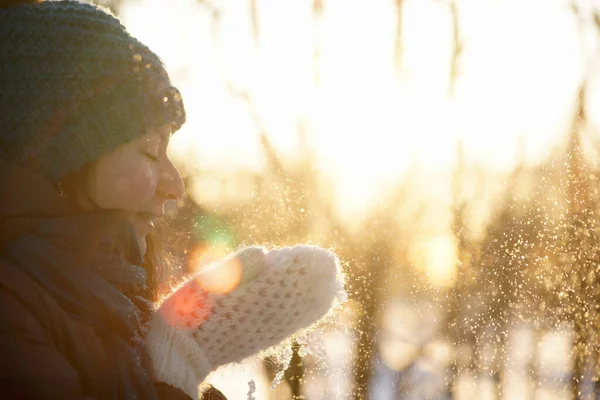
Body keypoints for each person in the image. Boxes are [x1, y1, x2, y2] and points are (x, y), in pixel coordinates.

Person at [0, 1, 345, 399]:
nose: (174, 186)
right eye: (149, 151)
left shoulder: (104, 297)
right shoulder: (13, 312)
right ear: (62, 155)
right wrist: (173, 369)